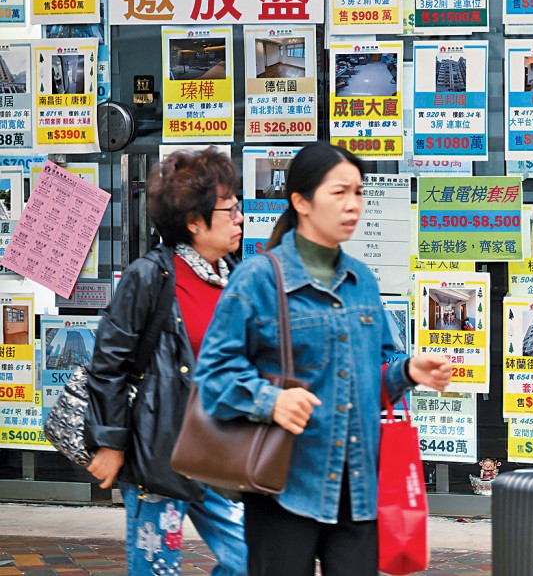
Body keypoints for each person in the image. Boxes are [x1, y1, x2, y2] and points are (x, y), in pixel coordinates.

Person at [195, 141, 452, 576]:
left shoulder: (362, 280)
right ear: (301, 201)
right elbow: (212, 377)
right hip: (284, 487)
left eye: (359, 192)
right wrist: (269, 400)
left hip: (358, 488)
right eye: (340, 193)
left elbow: (367, 383)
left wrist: (407, 371)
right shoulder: (258, 278)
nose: (354, 205)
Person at [85, 148, 247, 576]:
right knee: (157, 570)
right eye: (229, 210)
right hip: (157, 455)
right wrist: (111, 441)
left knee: (252, 560)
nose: (240, 219)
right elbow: (109, 363)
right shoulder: (150, 275)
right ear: (194, 222)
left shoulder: (233, 276)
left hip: (216, 455)